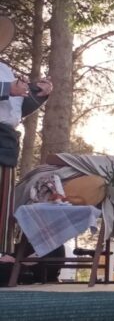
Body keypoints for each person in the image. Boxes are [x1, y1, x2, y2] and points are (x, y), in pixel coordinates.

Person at [0, 16, 52, 254]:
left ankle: (1, 254)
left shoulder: (5, 69)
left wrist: (39, 94)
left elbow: (16, 109)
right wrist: (7, 89)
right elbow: (8, 93)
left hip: (6, 141)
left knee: (3, 201)